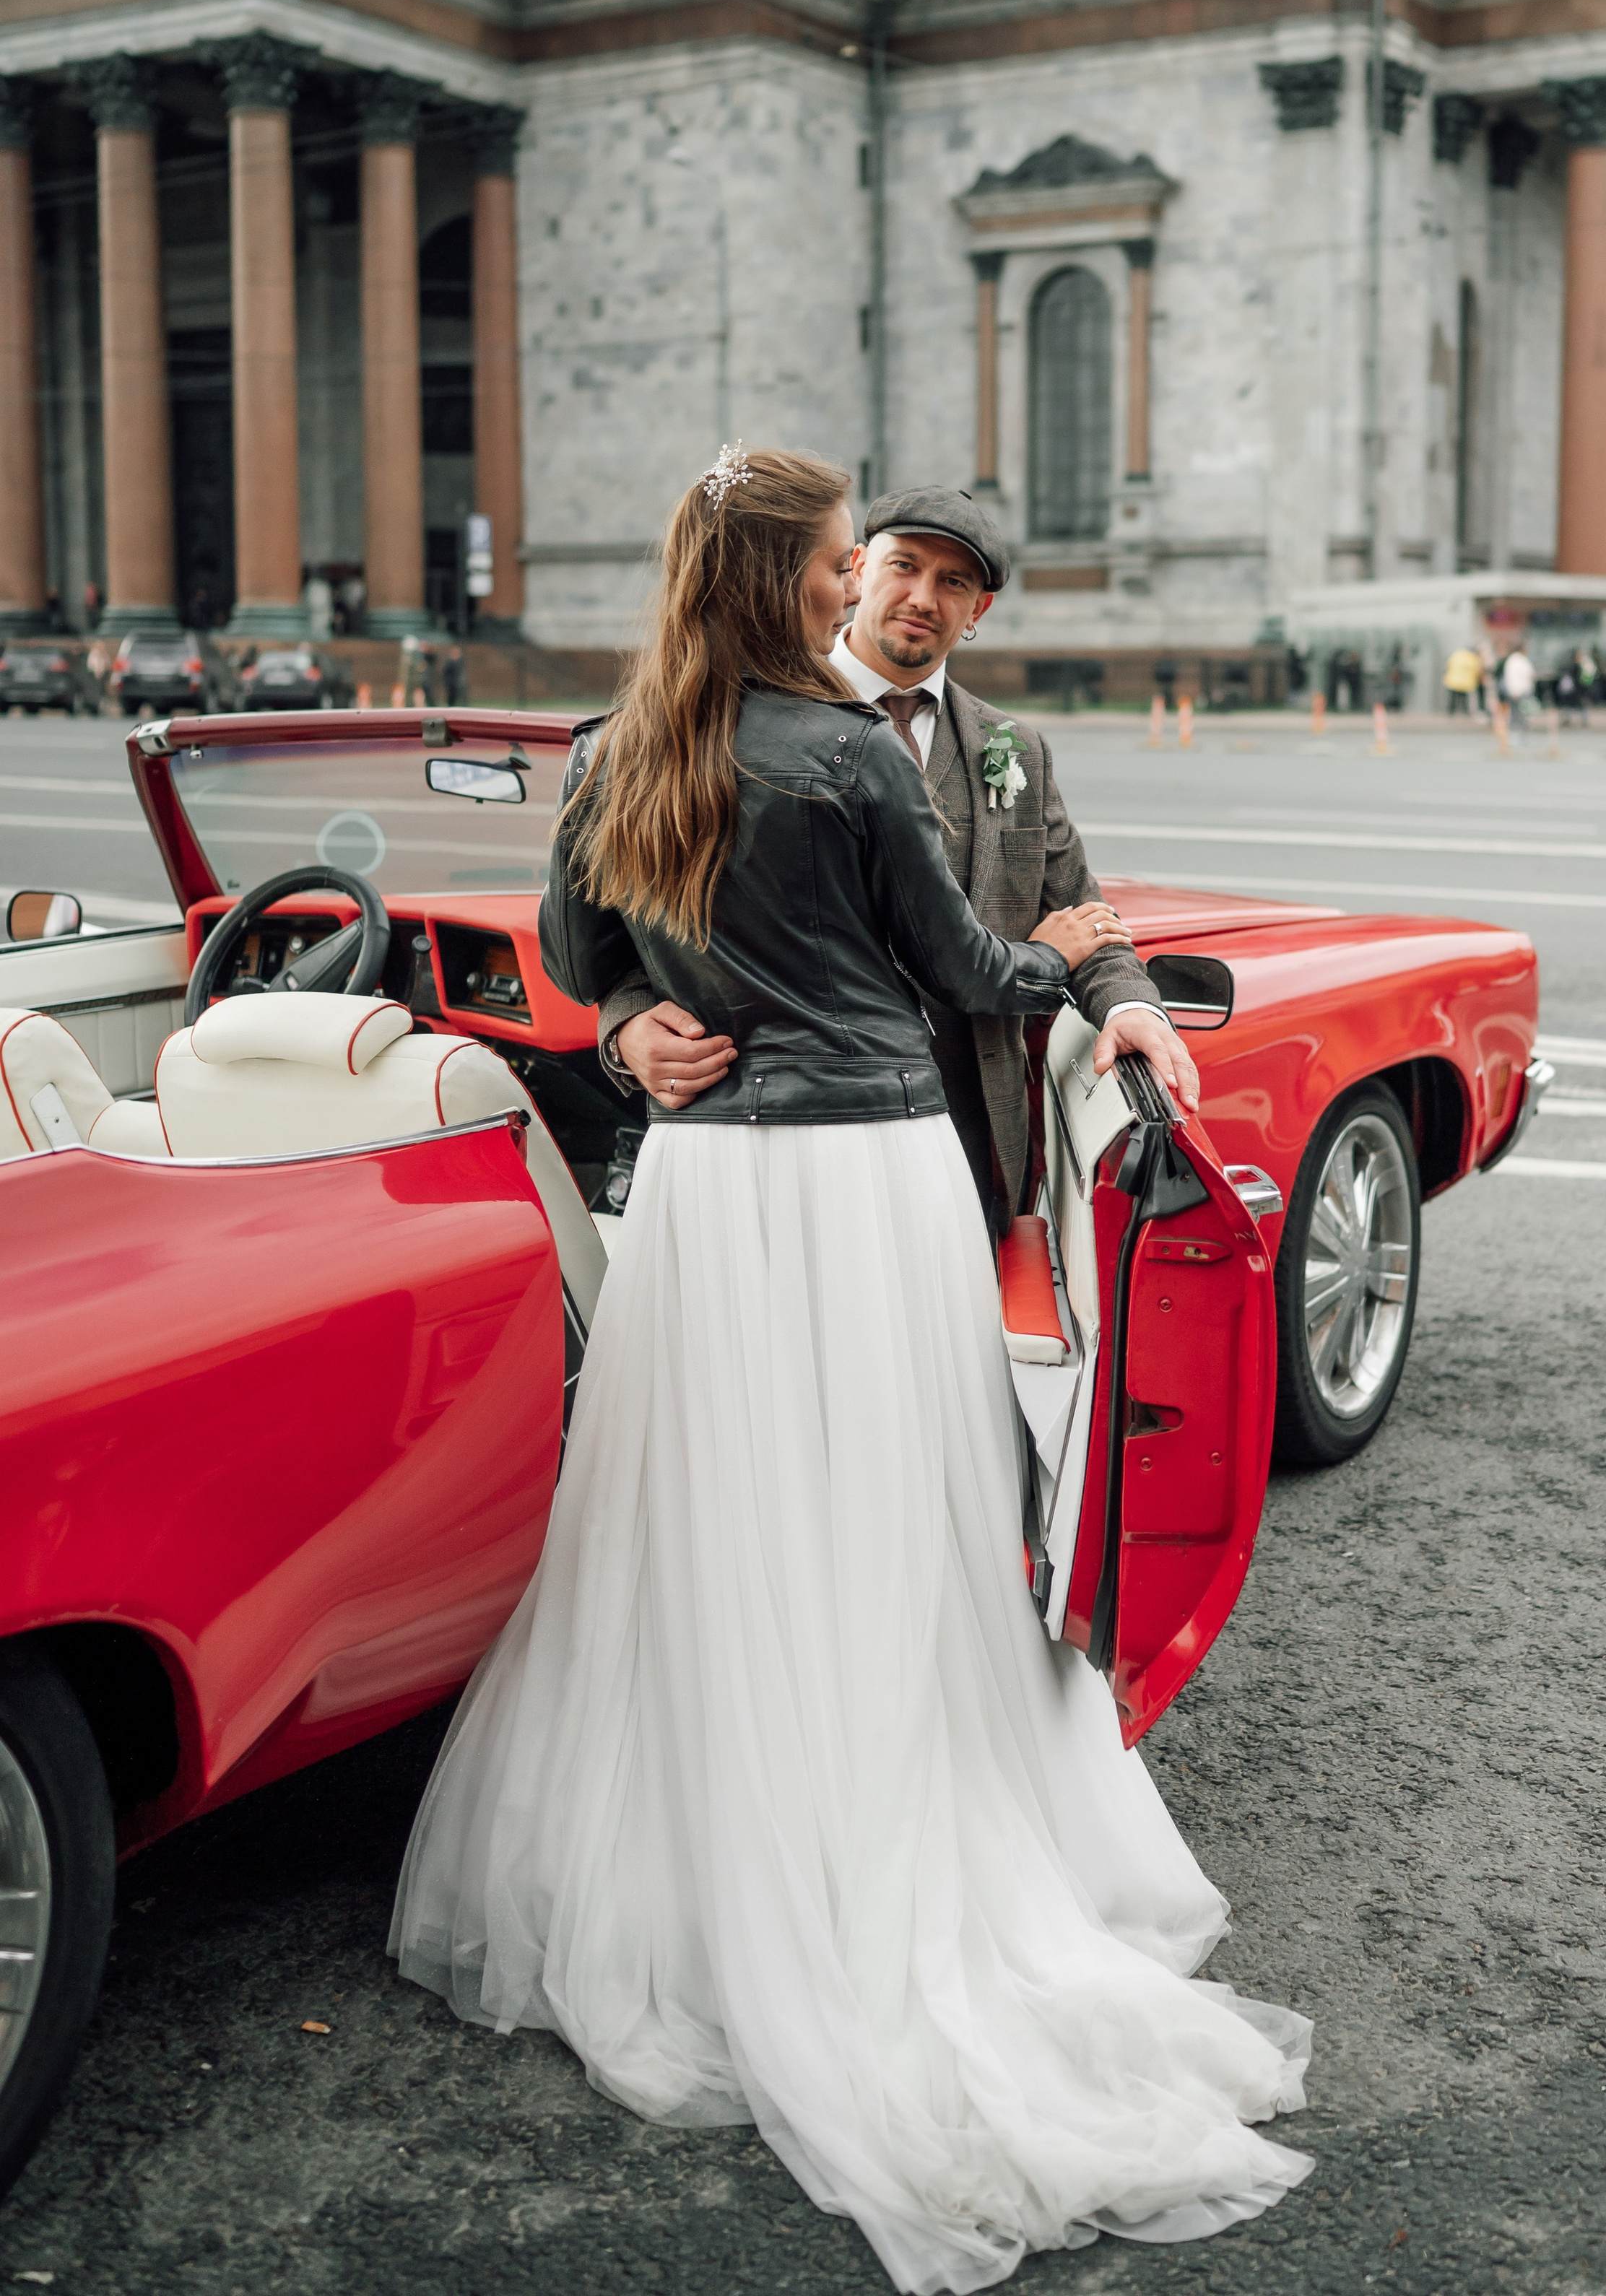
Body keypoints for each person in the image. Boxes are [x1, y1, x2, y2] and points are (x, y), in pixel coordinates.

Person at [389, 448, 1313, 2290]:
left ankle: (694, 1869)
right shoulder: (847, 756)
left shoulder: (606, 749)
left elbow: (574, 960)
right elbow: (963, 961)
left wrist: (650, 1015)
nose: (859, 584)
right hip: (870, 1165)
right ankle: (876, 1848)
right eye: (842, 558)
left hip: (712, 1188)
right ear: (792, 574)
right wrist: (1061, 961)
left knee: (696, 1513)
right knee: (896, 1506)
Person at [601, 486, 1196, 1232]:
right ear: (855, 569)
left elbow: (1080, 914)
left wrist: (1134, 1008)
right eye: (904, 566)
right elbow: (632, 910)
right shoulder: (734, 724)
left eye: (953, 583)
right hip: (784, 1130)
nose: (922, 597)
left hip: (971, 1133)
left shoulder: (1014, 749)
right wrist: (625, 1023)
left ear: (977, 610)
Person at [1498, 640, 1536, 735]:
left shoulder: (1510, 660)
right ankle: (1523, 731)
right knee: (1524, 712)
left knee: (1514, 712)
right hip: (1523, 690)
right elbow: (1530, 675)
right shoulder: (1523, 661)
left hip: (1512, 690)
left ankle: (1513, 731)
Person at [1443, 640, 1480, 717]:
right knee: (1464, 699)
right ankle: (1465, 713)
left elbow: (1448, 665)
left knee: (1452, 698)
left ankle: (1450, 713)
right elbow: (1477, 670)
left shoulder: (1457, 655)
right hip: (1466, 683)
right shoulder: (1473, 658)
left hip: (1453, 681)